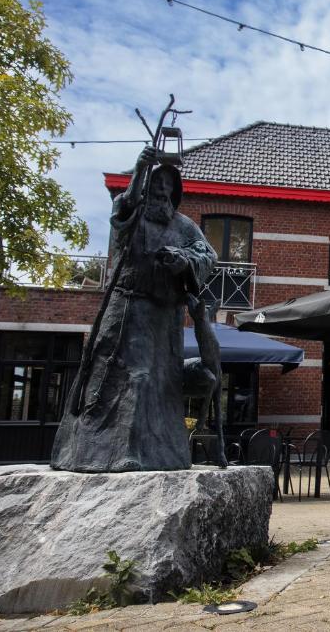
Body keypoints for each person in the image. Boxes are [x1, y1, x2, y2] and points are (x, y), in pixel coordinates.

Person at [51, 146, 217, 472]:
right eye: (156, 188)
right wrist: (140, 171)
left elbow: (207, 255)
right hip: (126, 307)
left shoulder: (183, 226)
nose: (162, 196)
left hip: (164, 316)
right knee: (129, 376)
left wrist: (184, 261)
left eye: (168, 191)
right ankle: (101, 451)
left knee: (159, 381)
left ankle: (159, 452)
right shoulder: (132, 212)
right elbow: (121, 213)